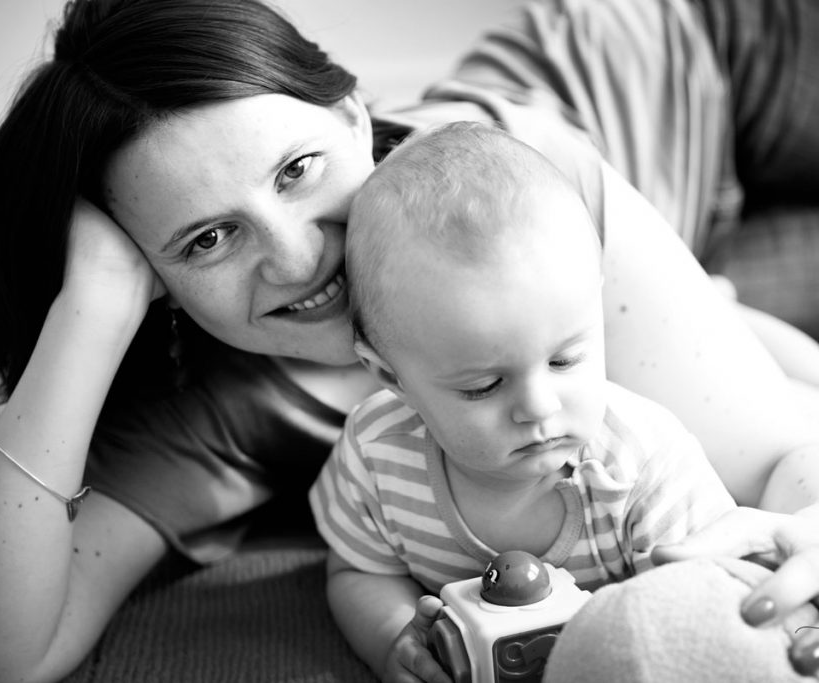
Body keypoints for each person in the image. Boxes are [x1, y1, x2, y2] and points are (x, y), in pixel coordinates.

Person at [0, 0, 819, 680]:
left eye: (301, 168)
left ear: (355, 115)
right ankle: (699, 298)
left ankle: (691, 301)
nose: (301, 258)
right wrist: (86, 313)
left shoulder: (524, 167)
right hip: (682, 218)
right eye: (208, 238)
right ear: (155, 282)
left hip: (699, 51)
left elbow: (792, 469)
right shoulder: (209, 403)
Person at [309, 121, 740, 681]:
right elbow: (358, 572)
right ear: (390, 376)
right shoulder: (375, 454)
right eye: (483, 386)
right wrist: (394, 641)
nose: (538, 407)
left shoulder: (644, 468)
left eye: (565, 359)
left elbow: (721, 595)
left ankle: (735, 315)